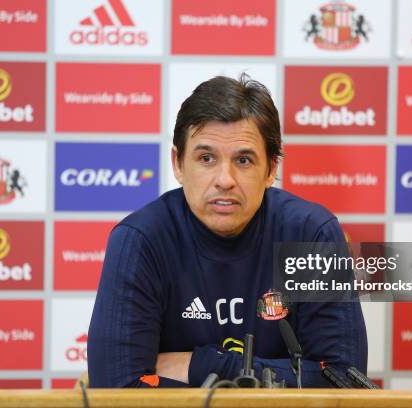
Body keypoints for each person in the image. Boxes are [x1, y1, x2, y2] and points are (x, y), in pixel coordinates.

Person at [88, 75, 367, 388]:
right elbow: (117, 390)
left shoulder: (309, 236)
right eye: (206, 158)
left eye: (244, 160)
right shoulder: (141, 241)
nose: (225, 179)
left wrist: (204, 365)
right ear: (178, 163)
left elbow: (345, 381)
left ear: (271, 169)